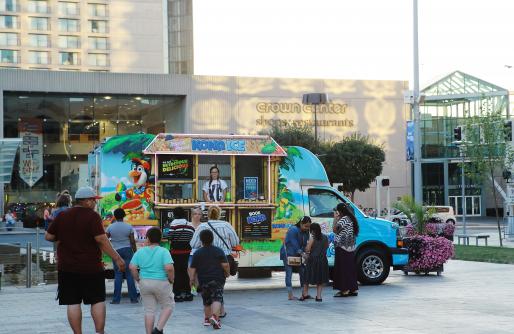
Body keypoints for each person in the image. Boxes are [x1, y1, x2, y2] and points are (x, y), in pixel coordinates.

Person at [45, 186, 126, 334]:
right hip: (91, 267)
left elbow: (48, 236)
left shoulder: (62, 216)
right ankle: (99, 332)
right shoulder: (92, 216)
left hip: (67, 268)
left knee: (73, 302)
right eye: (94, 200)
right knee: (97, 300)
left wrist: (64, 236)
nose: (95, 203)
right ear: (87, 201)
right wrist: (117, 258)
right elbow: (101, 239)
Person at [190, 206, 239, 318]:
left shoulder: (202, 226)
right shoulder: (226, 225)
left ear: (207, 215)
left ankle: (217, 312)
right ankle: (220, 311)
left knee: (208, 288)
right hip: (224, 258)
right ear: (219, 214)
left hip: (205, 259)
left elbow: (193, 244)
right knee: (219, 286)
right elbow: (235, 241)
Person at [130, 227, 175, 334]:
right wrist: (171, 279)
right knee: (168, 306)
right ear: (160, 239)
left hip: (144, 282)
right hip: (161, 282)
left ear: (148, 238)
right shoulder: (164, 251)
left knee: (149, 310)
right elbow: (169, 268)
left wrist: (137, 279)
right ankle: (158, 330)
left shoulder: (140, 252)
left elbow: (132, 267)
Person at [189, 229, 229, 329]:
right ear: (212, 239)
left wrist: (192, 279)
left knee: (206, 301)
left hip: (203, 280)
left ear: (201, 240)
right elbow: (225, 265)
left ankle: (207, 319)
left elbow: (192, 268)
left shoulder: (197, 253)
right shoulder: (218, 251)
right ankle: (215, 317)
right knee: (217, 298)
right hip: (217, 279)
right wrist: (227, 273)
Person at [106, 208, 139, 304]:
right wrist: (135, 252)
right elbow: (132, 241)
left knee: (118, 274)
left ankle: (116, 299)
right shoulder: (128, 227)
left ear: (115, 216)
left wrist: (110, 248)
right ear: (124, 215)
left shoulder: (110, 227)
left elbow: (105, 240)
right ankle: (133, 298)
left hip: (116, 251)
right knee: (129, 274)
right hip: (128, 250)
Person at [167, 206, 195, 302]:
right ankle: (187, 293)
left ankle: (177, 294)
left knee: (177, 272)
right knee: (184, 271)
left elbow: (170, 237)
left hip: (176, 251)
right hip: (186, 251)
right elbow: (192, 236)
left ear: (175, 214)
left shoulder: (173, 224)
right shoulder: (190, 225)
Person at [279, 216, 311, 301]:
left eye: (308, 226)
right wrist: (303, 253)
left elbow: (305, 243)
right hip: (288, 254)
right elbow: (294, 244)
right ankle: (290, 295)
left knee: (303, 272)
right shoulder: (293, 229)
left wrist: (306, 252)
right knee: (289, 274)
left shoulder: (306, 231)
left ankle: (304, 293)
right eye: (306, 226)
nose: (307, 228)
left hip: (298, 255)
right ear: (301, 224)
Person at [332, 202, 360, 297]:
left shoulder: (343, 219)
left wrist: (335, 219)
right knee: (350, 268)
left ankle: (344, 290)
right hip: (350, 247)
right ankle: (353, 289)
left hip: (342, 247)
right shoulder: (351, 218)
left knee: (342, 269)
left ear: (340, 211)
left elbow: (335, 230)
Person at [303, 222, 329, 302]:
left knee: (307, 277)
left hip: (313, 260)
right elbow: (327, 247)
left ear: (312, 230)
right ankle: (319, 296)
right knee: (320, 279)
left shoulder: (312, 238)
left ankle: (305, 294)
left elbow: (307, 249)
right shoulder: (325, 237)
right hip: (323, 260)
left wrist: (306, 247)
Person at [188, 206, 203, 296]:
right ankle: (192, 287)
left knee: (198, 272)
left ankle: (196, 288)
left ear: (201, 215)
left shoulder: (203, 226)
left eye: (199, 214)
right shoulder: (188, 225)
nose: (197, 216)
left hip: (200, 251)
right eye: (195, 214)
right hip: (190, 252)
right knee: (190, 271)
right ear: (192, 215)